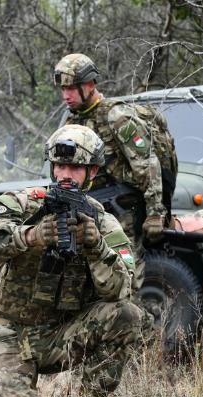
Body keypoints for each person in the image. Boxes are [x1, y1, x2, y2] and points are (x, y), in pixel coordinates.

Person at [0, 124, 143, 397]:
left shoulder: (102, 222)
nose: (65, 174)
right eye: (60, 165)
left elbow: (120, 291)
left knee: (128, 314)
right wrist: (31, 236)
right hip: (12, 333)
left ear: (92, 173)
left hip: (63, 335)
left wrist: (95, 246)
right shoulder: (25, 202)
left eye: (75, 167)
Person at [53, 53, 176, 312]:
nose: (66, 95)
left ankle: (134, 340)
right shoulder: (71, 120)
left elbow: (146, 164)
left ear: (89, 85)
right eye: (63, 89)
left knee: (126, 279)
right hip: (90, 212)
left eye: (71, 88)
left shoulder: (116, 116)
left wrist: (155, 214)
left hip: (123, 212)